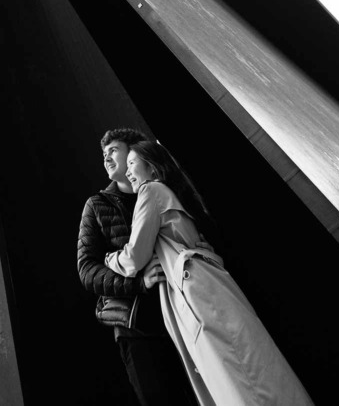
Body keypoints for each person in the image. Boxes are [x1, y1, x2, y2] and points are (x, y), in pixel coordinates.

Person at [106, 141, 314, 406]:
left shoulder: (151, 191)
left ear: (153, 168)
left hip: (198, 293)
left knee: (236, 376)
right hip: (204, 286)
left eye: (133, 163)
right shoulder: (170, 194)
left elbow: (135, 257)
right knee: (249, 369)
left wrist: (110, 258)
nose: (128, 172)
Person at [78, 128, 197, 405]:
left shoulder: (166, 190)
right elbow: (86, 269)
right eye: (103, 154)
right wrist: (138, 283)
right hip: (137, 328)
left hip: (185, 315)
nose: (106, 158)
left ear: (135, 153)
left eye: (114, 151)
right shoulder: (96, 205)